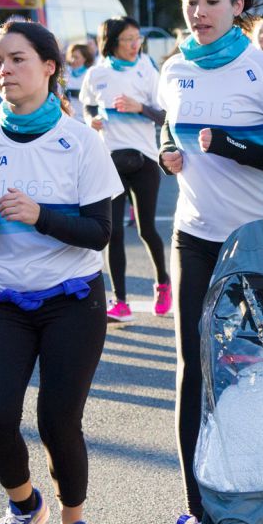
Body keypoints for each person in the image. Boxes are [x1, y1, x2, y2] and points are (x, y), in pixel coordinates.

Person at [0, 21, 121, 524]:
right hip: (3, 299)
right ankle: (25, 504)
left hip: (72, 299)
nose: (5, 71)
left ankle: (74, 523)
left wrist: (41, 217)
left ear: (49, 67)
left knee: (56, 420)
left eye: (18, 59)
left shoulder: (81, 141)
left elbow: (101, 232)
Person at [154, 0, 263, 524]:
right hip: (195, 234)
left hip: (258, 239)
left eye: (211, 0)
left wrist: (232, 145)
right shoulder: (174, 69)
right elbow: (169, 131)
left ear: (239, 6)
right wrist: (167, 154)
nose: (199, 12)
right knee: (195, 369)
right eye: (191, 0)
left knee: (261, 371)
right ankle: (196, 511)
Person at [80, 16, 172, 322]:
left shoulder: (147, 69)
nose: (135, 45)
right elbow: (89, 105)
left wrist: (140, 108)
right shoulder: (96, 73)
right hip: (110, 160)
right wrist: (91, 119)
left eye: (138, 39)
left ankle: (163, 282)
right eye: (128, 40)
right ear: (111, 42)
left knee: (147, 229)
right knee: (113, 232)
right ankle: (120, 301)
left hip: (144, 158)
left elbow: (164, 117)